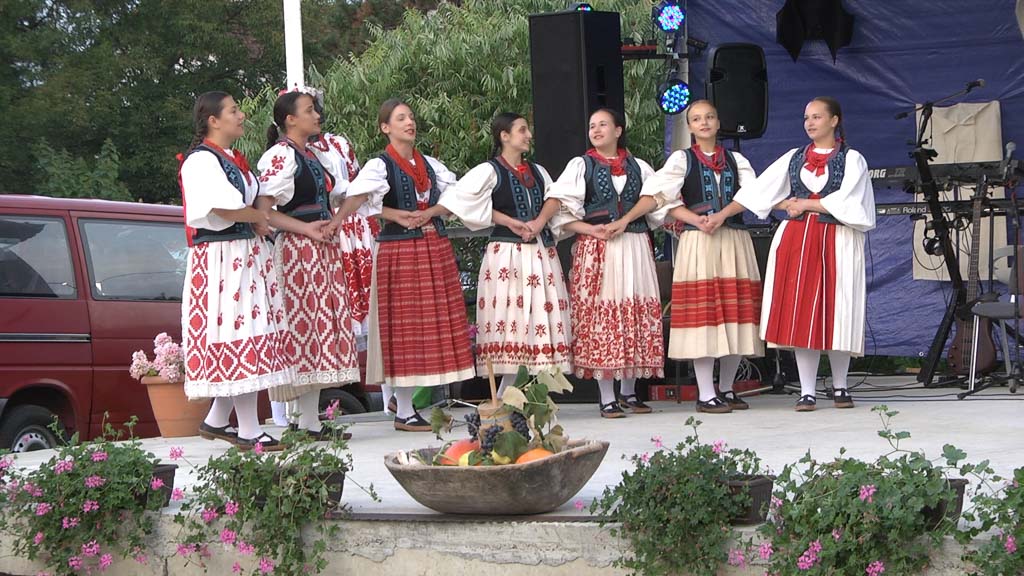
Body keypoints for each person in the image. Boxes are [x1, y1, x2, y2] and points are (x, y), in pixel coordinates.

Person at [725, 96, 876, 411]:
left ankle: (840, 386)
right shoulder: (794, 157)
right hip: (797, 239)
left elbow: (851, 202)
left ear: (834, 120)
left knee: (838, 309)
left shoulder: (852, 159)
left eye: (817, 117)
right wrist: (785, 204)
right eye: (806, 117)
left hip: (837, 238)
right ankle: (807, 391)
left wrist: (805, 203)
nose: (810, 123)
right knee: (802, 312)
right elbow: (759, 192)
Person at [344, 98, 475, 431]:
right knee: (404, 327)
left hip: (433, 246)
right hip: (399, 249)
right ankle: (403, 409)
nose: (409, 122)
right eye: (401, 118)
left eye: (411, 117)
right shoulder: (380, 165)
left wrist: (430, 212)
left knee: (431, 327)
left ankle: (408, 405)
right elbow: (356, 199)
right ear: (385, 127)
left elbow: (458, 197)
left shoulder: (429, 164)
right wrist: (394, 214)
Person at [178, 91, 294, 451]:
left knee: (249, 331)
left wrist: (260, 216)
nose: (241, 115)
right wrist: (258, 216)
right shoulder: (201, 161)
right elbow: (221, 207)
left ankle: (217, 419)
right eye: (234, 110)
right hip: (222, 259)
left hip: (243, 255)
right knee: (241, 333)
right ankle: (247, 429)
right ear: (213, 120)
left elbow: (249, 203)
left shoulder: (231, 159)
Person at [641, 99, 763, 414]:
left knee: (736, 314)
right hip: (698, 240)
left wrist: (722, 215)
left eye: (709, 117)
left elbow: (752, 194)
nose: (704, 122)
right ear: (690, 127)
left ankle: (727, 388)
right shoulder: (682, 160)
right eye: (696, 119)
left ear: (718, 122)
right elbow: (660, 197)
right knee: (703, 316)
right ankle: (706, 393)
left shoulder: (735, 159)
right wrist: (696, 219)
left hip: (733, 237)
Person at [438, 113, 572, 394]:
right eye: (522, 130)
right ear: (504, 136)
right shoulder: (490, 171)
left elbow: (556, 198)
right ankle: (508, 398)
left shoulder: (538, 171)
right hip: (506, 256)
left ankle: (525, 397)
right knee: (513, 321)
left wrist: (539, 222)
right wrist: (508, 221)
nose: (529, 135)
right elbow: (458, 201)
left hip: (540, 254)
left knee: (538, 319)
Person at [544, 108, 664, 418]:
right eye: (592, 126)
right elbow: (559, 210)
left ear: (618, 130)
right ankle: (607, 396)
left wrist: (625, 220)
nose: (596, 130)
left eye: (603, 125)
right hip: (598, 247)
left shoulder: (638, 166)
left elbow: (657, 198)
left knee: (633, 311)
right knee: (603, 316)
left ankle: (629, 392)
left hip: (634, 244)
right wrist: (591, 229)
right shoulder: (581, 166)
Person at [256, 89, 361, 437]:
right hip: (297, 252)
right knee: (303, 331)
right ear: (290, 119)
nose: (317, 115)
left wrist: (335, 221)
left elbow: (341, 195)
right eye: (309, 110)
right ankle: (303, 421)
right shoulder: (280, 156)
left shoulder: (314, 155)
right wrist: (307, 229)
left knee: (317, 332)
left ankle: (310, 421)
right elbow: (264, 212)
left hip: (320, 248)